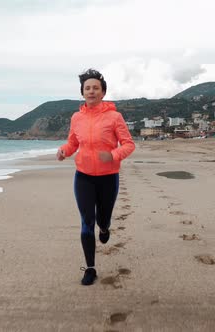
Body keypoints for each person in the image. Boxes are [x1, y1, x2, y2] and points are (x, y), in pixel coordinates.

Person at [57, 68, 135, 286]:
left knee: (103, 218)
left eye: (95, 88)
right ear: (82, 92)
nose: (91, 91)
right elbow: (73, 143)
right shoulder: (77, 118)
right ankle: (90, 268)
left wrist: (112, 155)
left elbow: (129, 145)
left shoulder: (114, 117)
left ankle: (105, 226)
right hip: (83, 177)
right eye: (87, 88)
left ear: (102, 92)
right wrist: (64, 151)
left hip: (108, 177)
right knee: (86, 222)